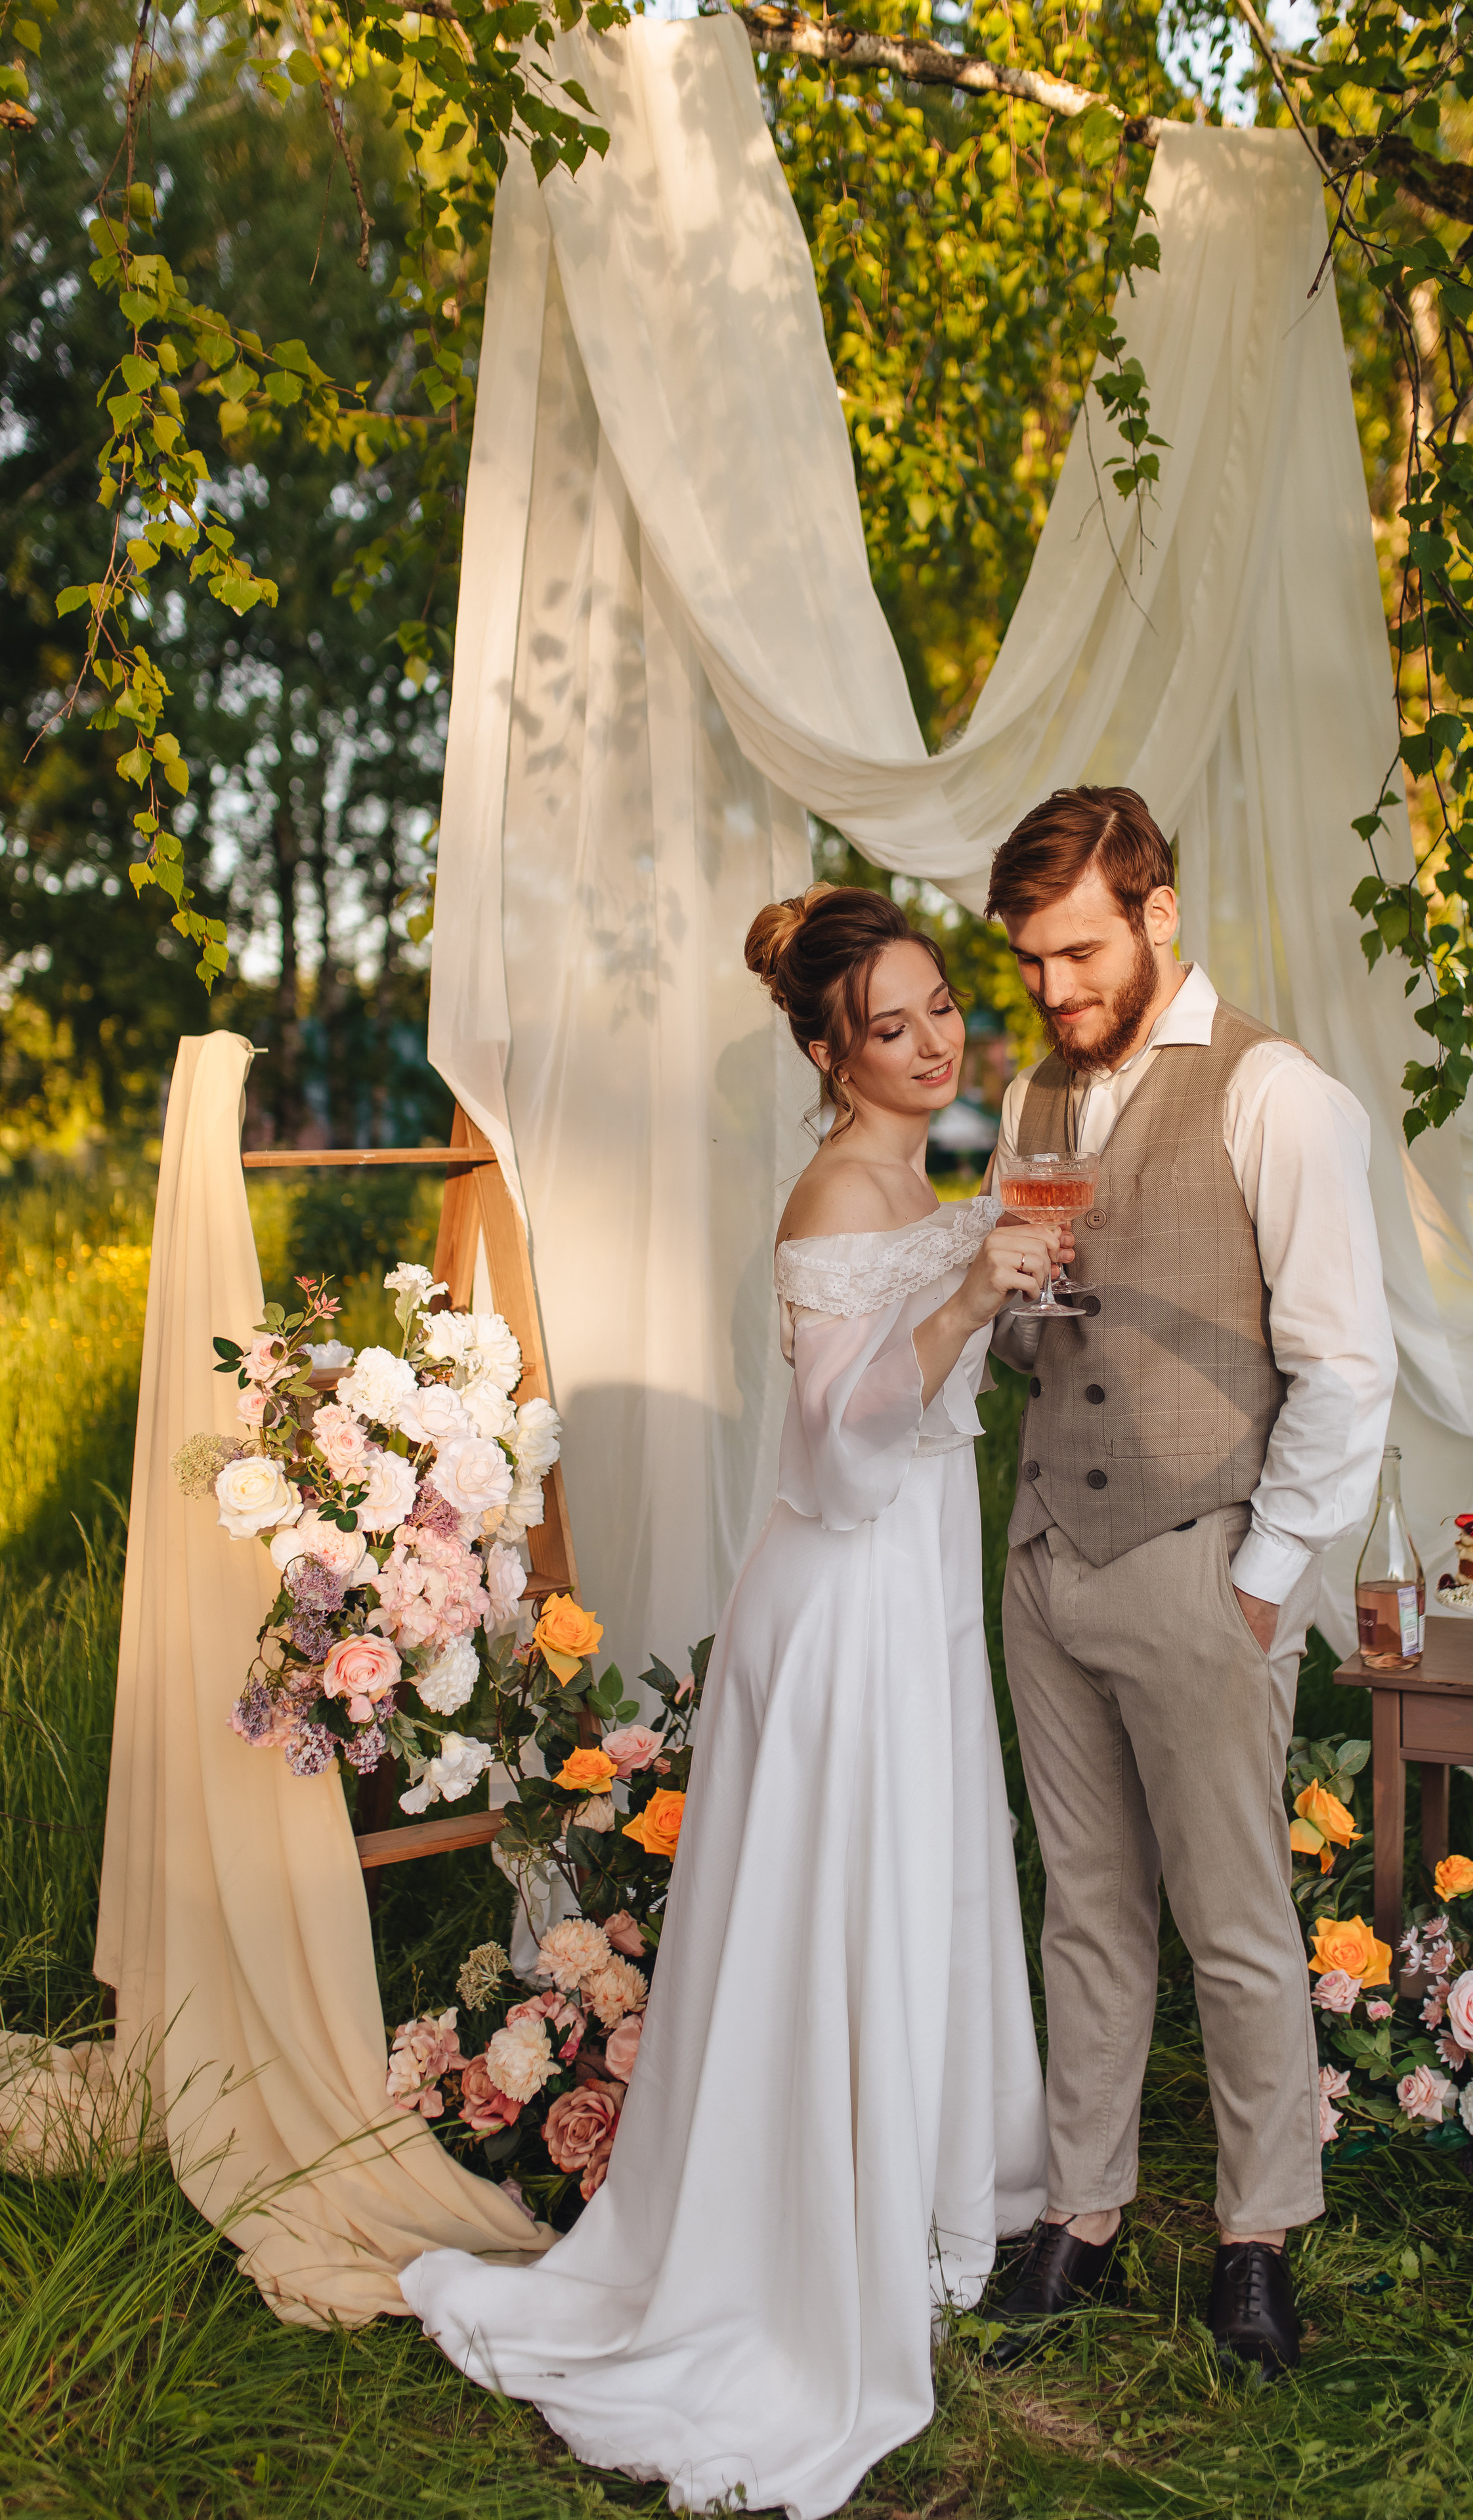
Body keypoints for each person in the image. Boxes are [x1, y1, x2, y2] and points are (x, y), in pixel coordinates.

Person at [401, 885, 1052, 2519]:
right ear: (830, 1053)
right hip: (841, 1605)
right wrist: (970, 1295)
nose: (931, 1041)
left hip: (910, 1591)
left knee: (911, 1881)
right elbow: (833, 1451)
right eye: (890, 1025)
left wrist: (1003, 1280)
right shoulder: (833, 1189)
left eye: (938, 1006)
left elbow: (924, 1386)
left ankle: (915, 2196)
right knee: (840, 1899)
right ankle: (802, 2248)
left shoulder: (915, 1172)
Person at [980, 786, 1396, 2380]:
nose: (1053, 988)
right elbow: (1024, 1344)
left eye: (1078, 952)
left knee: (1232, 1922)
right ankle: (1077, 2215)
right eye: (1029, 961)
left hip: (1197, 1560)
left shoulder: (1274, 1093)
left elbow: (1341, 1368)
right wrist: (1010, 1303)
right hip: (1047, 1557)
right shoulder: (1030, 1097)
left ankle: (1256, 2239)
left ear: (1155, 915)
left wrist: (1263, 1579)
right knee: (1084, 1908)